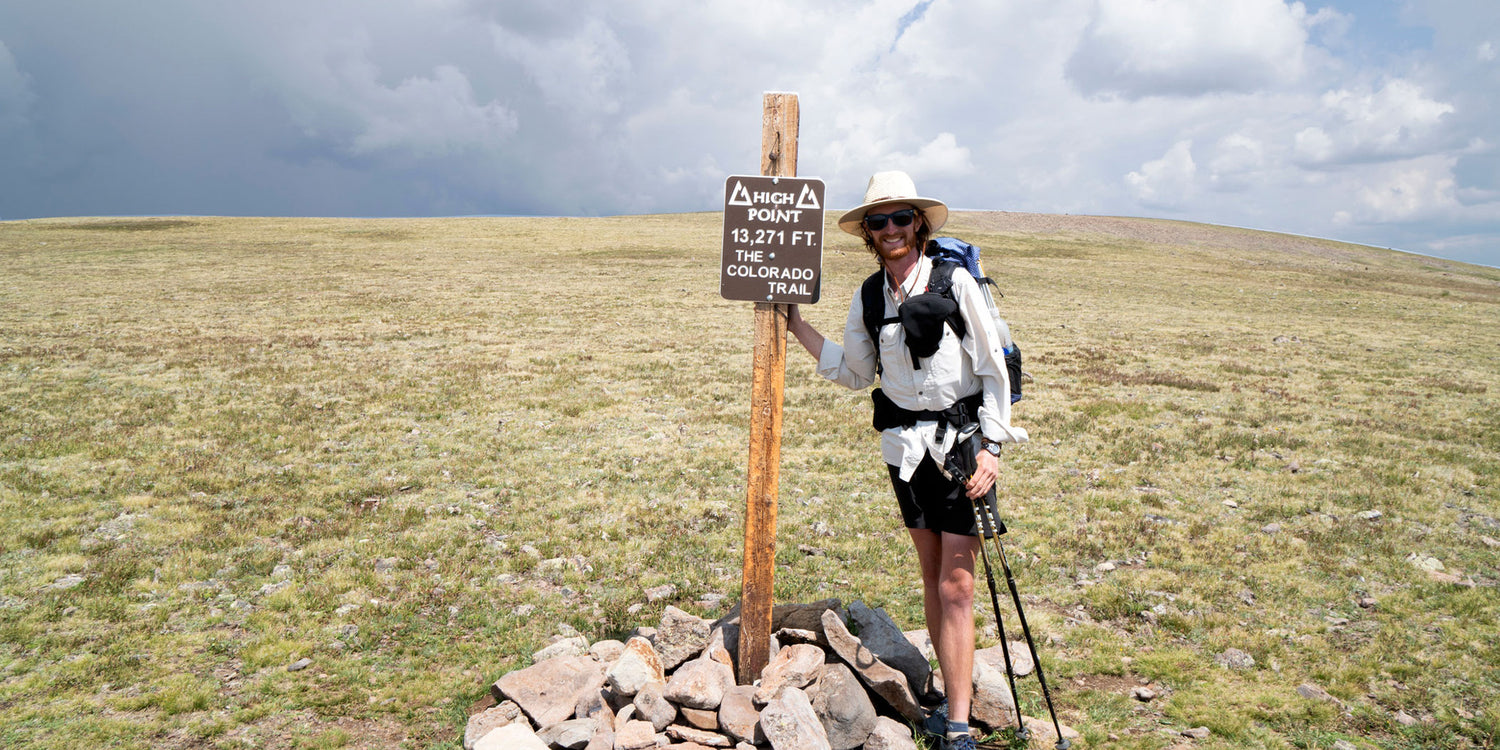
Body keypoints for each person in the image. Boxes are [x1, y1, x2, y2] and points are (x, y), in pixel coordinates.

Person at [786, 171, 1028, 750]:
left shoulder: (956, 283)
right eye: (878, 220)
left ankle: (961, 727)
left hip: (962, 447)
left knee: (958, 586)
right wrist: (796, 324)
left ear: (917, 223)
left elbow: (993, 368)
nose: (891, 229)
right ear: (868, 233)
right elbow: (854, 370)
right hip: (904, 452)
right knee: (931, 576)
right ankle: (947, 692)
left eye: (900, 218)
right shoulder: (870, 295)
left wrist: (992, 448)